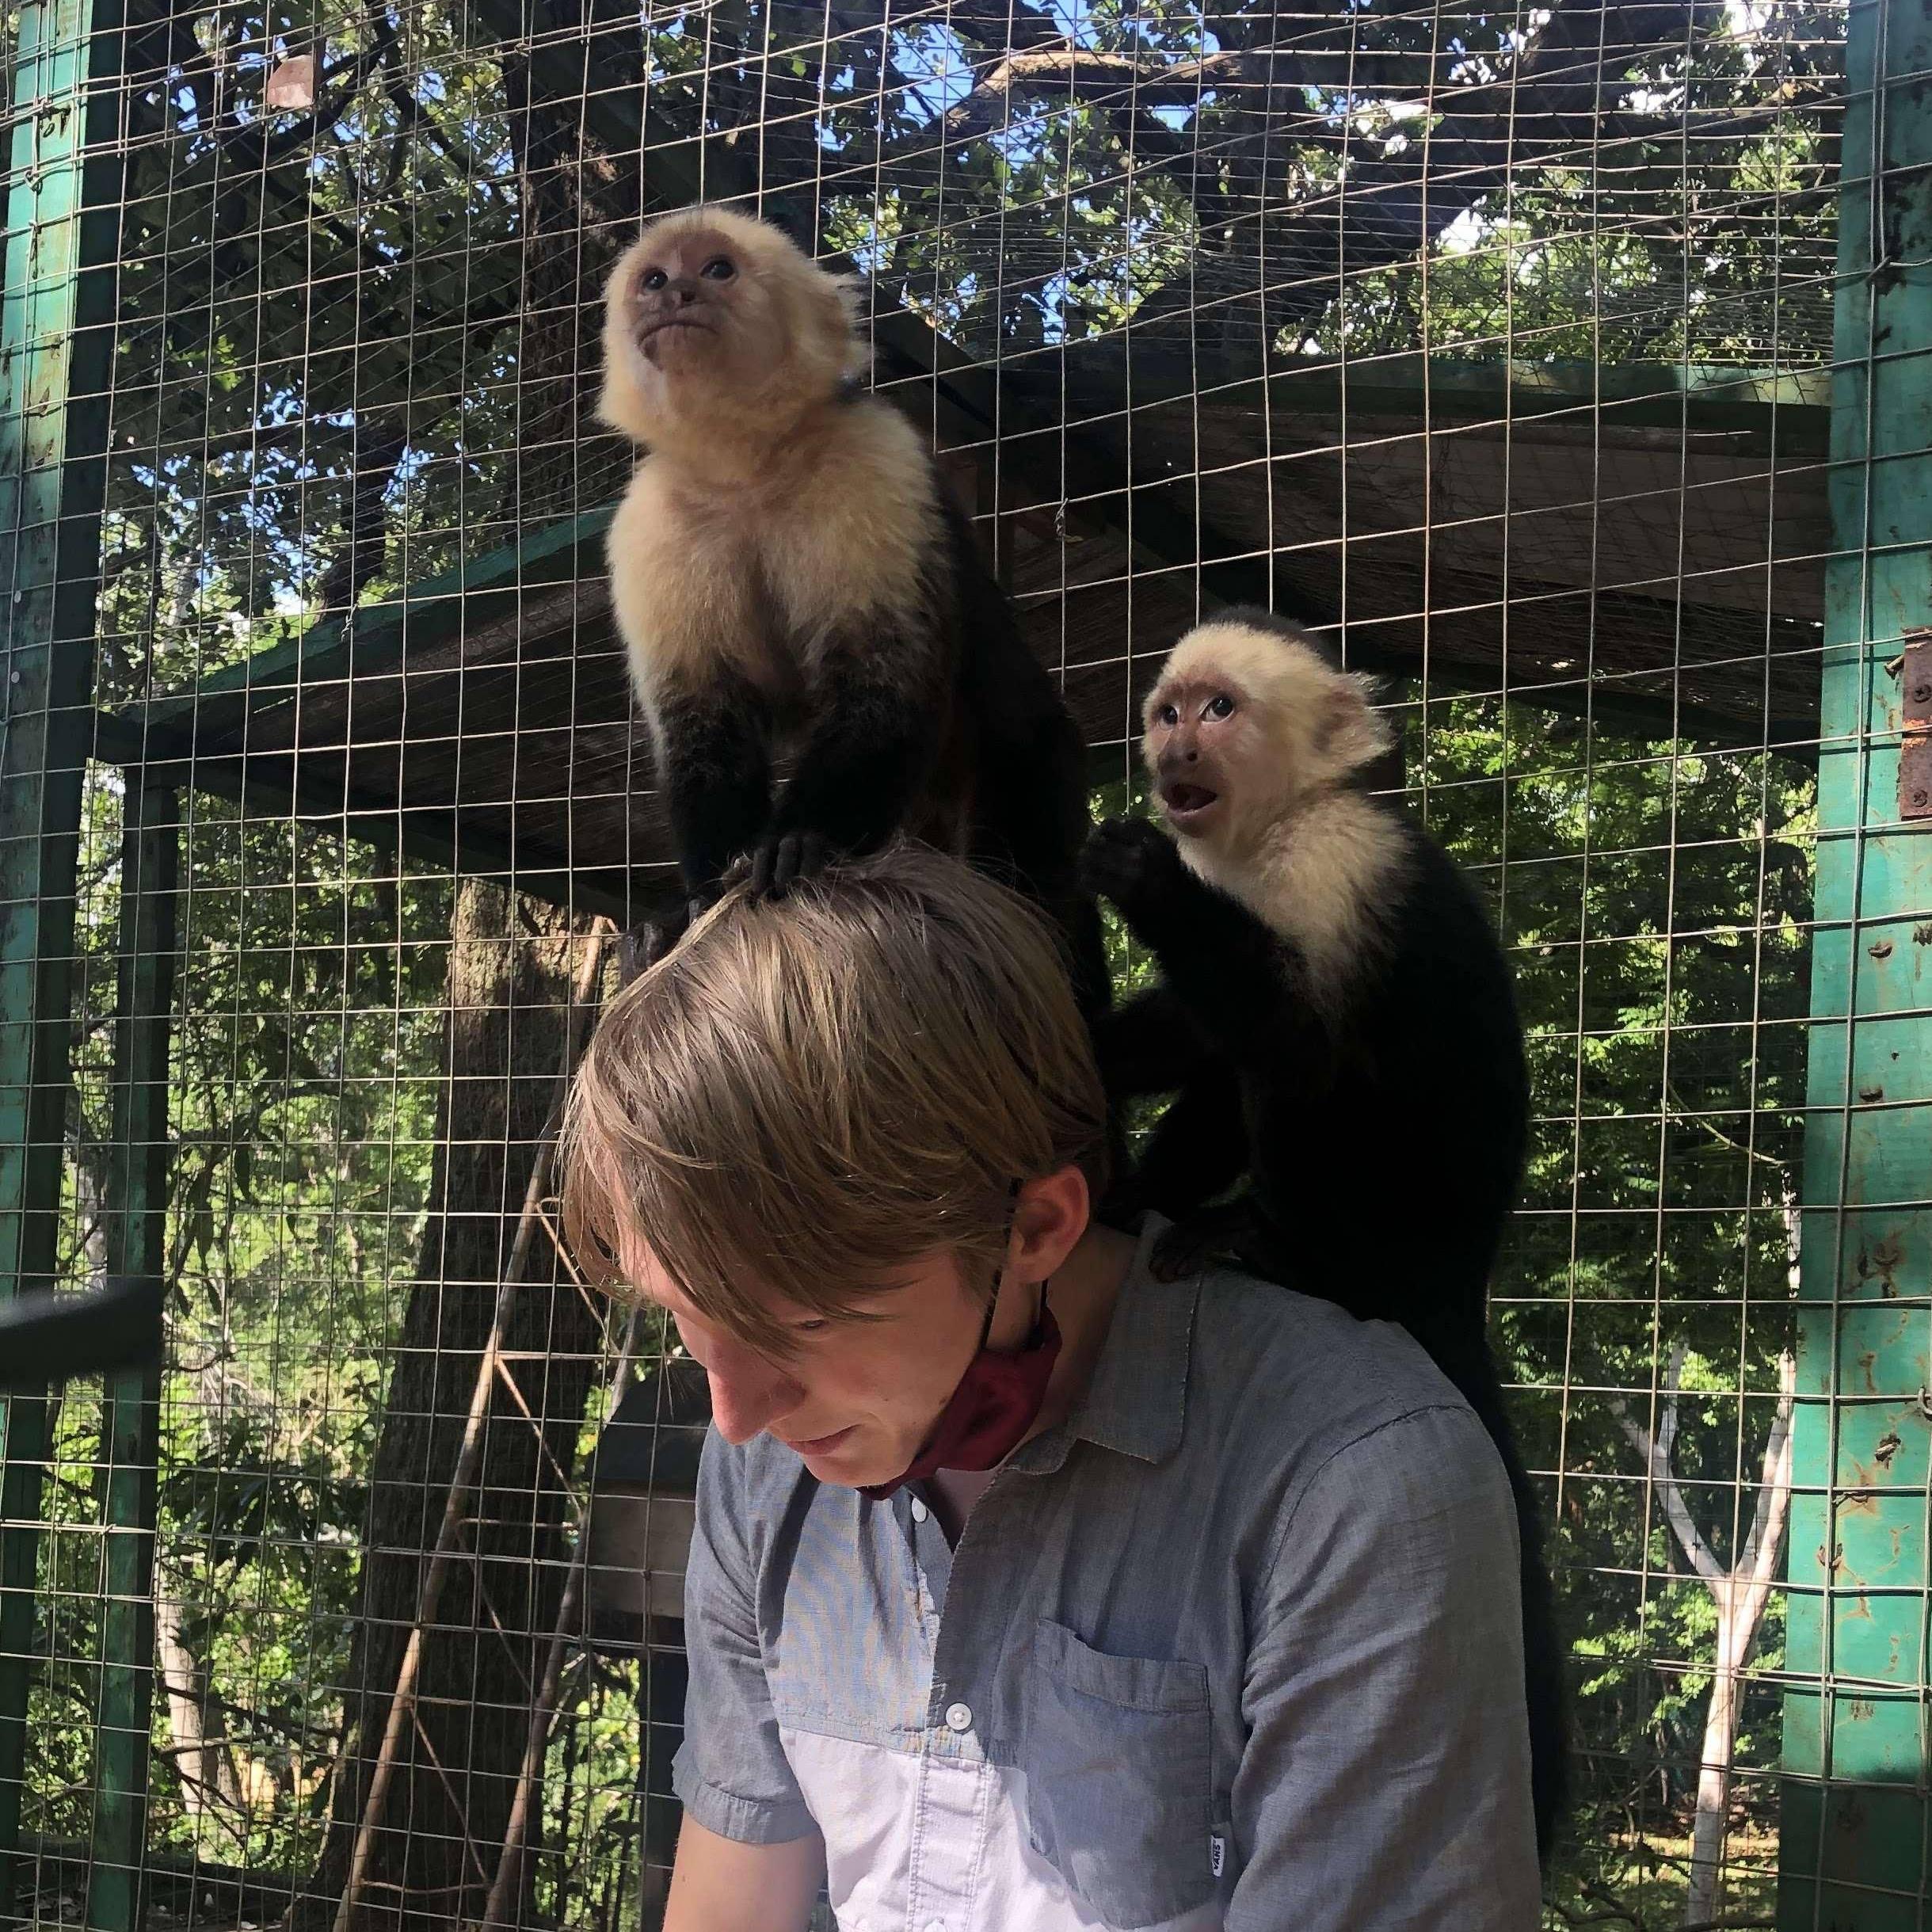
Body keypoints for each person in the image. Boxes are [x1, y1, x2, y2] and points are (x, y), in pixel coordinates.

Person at [561, 842, 1541, 1931]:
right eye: (691, 1326)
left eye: (800, 1320)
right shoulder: (762, 1473)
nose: (738, 1414)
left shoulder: (1357, 1487)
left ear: (1037, 1227)